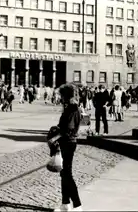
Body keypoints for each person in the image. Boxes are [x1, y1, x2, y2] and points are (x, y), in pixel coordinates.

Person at [54, 83, 82, 212]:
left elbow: (69, 129)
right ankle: (65, 204)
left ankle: (77, 205)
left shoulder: (72, 109)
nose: (60, 98)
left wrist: (54, 136)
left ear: (66, 96)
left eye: (61, 95)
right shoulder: (71, 108)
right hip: (67, 142)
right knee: (64, 174)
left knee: (67, 174)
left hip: (68, 143)